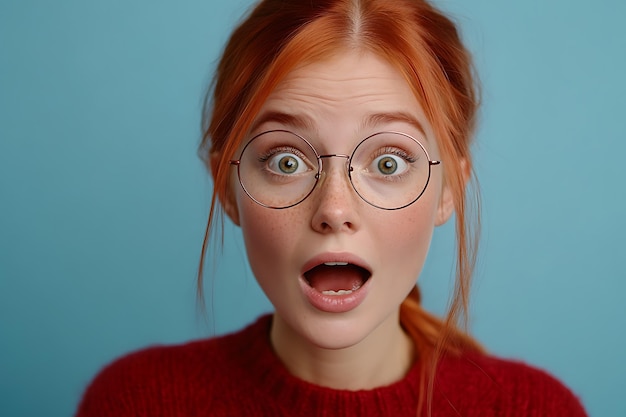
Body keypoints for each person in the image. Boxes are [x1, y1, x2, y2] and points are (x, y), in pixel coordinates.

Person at [76, 0, 588, 415]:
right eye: (285, 160)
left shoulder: (534, 408)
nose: (334, 209)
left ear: (449, 189)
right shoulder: (136, 402)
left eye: (388, 162)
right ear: (226, 188)